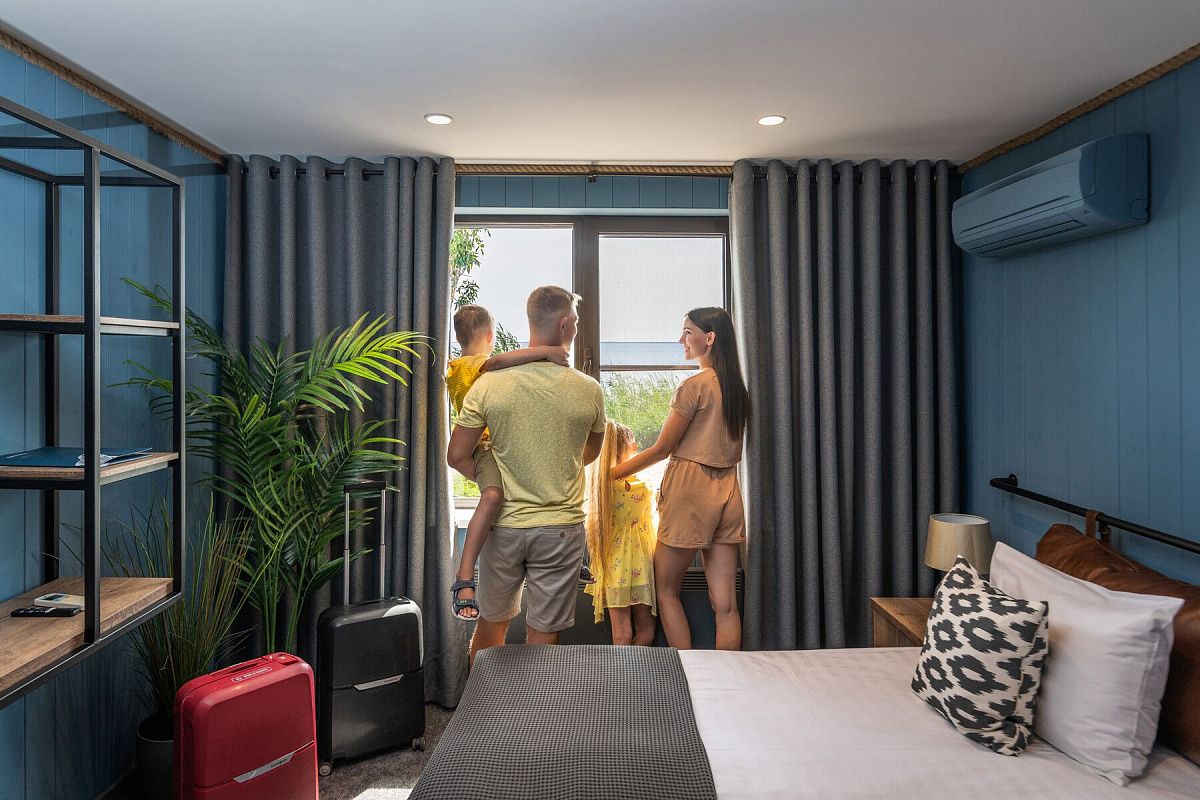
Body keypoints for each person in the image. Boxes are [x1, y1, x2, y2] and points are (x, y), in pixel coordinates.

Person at [448, 286, 606, 662]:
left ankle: (483, 701)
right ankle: (532, 704)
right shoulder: (590, 390)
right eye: (576, 321)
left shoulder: (488, 384)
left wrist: (494, 481)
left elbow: (457, 455)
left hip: (503, 527)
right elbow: (589, 454)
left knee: (491, 627)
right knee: (543, 636)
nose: (576, 327)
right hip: (560, 531)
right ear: (565, 325)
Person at [613, 307, 750, 651]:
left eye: (688, 332)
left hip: (691, 492)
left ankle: (686, 672)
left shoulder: (694, 386)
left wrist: (610, 474)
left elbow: (662, 449)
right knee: (725, 604)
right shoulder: (736, 389)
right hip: (728, 489)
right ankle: (726, 677)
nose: (681, 339)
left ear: (710, 338)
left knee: (666, 590)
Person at [584, 421, 657, 645]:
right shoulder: (643, 486)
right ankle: (637, 667)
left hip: (613, 564)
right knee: (646, 629)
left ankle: (621, 668)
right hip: (641, 563)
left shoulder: (599, 486)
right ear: (627, 447)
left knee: (621, 633)